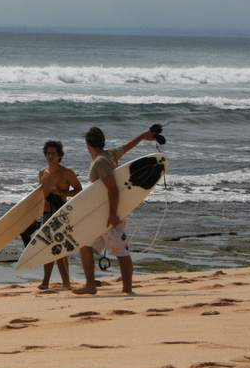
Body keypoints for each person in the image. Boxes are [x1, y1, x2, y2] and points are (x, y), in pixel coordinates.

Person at [73, 126, 158, 296]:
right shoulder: (110, 154)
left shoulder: (100, 161)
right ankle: (90, 285)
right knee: (85, 246)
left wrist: (113, 215)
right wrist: (142, 135)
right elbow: (126, 146)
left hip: (110, 214)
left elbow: (112, 188)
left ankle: (127, 289)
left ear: (87, 143)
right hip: (101, 214)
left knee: (121, 251)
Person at [31, 140, 82, 290]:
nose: (51, 155)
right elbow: (39, 194)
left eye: (54, 153)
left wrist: (62, 193)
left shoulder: (66, 173)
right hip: (46, 214)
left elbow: (79, 190)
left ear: (60, 155)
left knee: (59, 248)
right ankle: (45, 282)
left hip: (61, 214)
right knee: (47, 247)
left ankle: (66, 283)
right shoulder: (42, 173)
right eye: (48, 153)